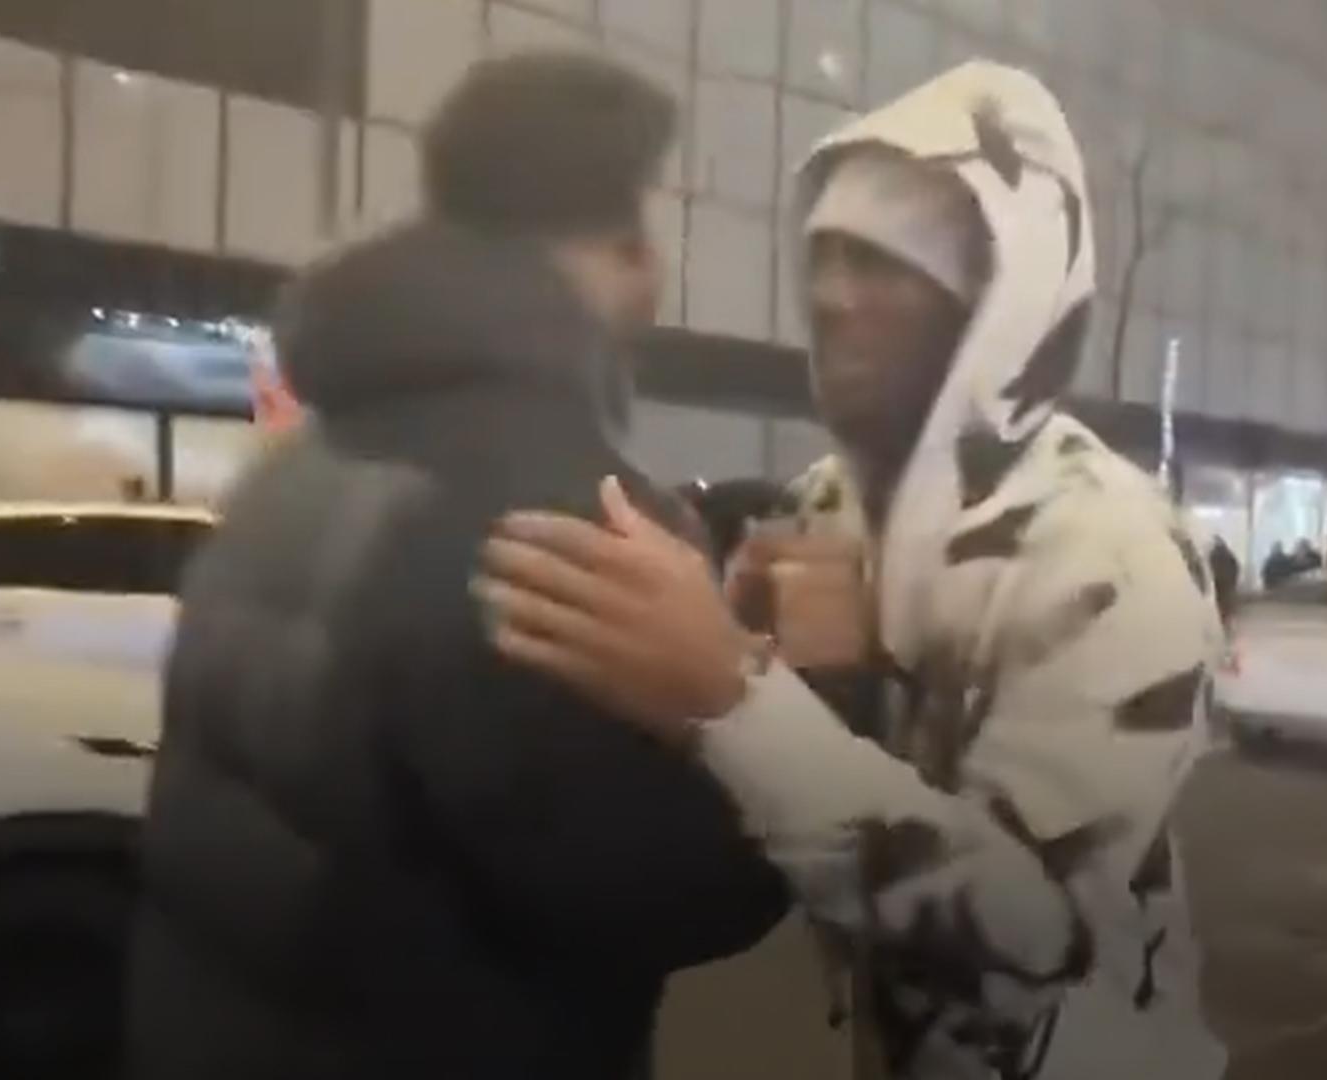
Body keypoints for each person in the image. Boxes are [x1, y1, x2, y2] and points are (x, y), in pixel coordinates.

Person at [476, 62, 1227, 1080]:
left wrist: (734, 698)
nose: (830, 295)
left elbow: (1033, 941)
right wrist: (735, 661)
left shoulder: (1115, 553)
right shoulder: (825, 506)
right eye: (822, 253)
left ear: (994, 300)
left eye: (882, 262)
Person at [127, 54, 786, 1080]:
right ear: (618, 240)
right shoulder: (556, 508)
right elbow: (667, 889)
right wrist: (784, 695)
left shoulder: (296, 468)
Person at [1207, 537, 1241, 620]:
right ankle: (1227, 616)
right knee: (1227, 600)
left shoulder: (1212, 554)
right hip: (1227, 580)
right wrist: (1234, 579)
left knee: (1219, 600)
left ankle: (1221, 616)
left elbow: (1208, 567)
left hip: (1217, 580)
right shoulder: (1229, 554)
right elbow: (1236, 567)